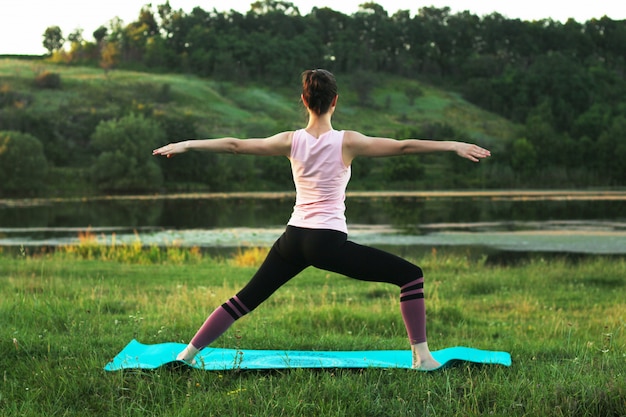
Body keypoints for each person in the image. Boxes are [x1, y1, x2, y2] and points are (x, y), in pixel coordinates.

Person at [152, 69, 491, 370]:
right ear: (335, 102)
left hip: (293, 238)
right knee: (411, 276)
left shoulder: (290, 140)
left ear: (304, 100)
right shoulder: (348, 141)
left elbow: (235, 145)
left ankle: (186, 356)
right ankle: (423, 358)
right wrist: (452, 145)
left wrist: (187, 144)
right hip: (326, 241)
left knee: (244, 299)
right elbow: (403, 147)